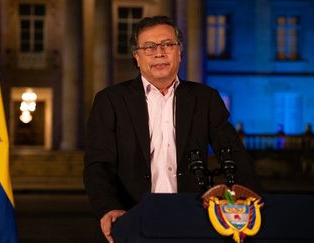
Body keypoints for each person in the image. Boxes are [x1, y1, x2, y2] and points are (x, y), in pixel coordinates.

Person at [83, 16, 261, 243]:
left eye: (168, 45)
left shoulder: (205, 99)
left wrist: (255, 204)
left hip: (193, 218)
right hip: (133, 218)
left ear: (180, 52)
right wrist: (108, 208)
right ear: (136, 57)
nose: (159, 53)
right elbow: (97, 165)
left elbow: (236, 156)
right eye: (149, 47)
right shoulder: (110, 100)